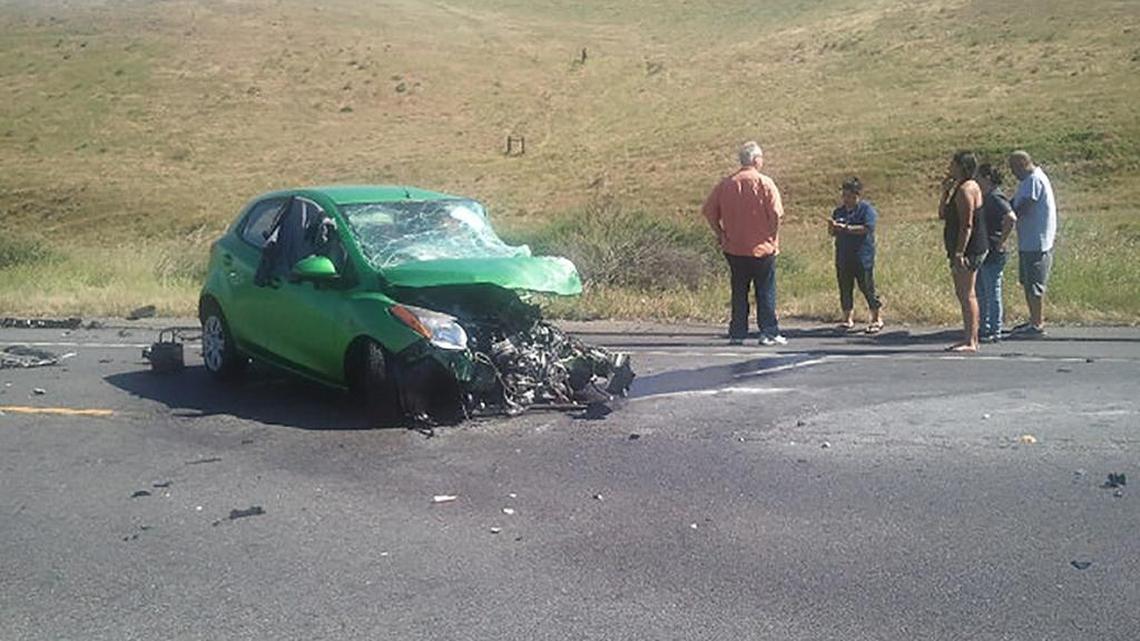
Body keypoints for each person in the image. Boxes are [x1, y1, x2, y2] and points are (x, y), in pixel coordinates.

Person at [702, 141, 786, 346]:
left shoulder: (726, 184)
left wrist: (720, 233)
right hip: (762, 247)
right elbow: (775, 213)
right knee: (765, 290)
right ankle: (768, 331)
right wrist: (773, 236)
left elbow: (708, 211)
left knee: (739, 291)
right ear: (756, 160)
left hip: (734, 247)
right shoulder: (765, 183)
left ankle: (738, 332)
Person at [939, 151, 988, 352]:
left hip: (970, 248)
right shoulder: (958, 188)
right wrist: (945, 192)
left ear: (962, 166)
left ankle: (971, 340)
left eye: (953, 164)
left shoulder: (967, 189)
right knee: (964, 293)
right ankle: (971, 337)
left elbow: (967, 224)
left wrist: (960, 252)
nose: (950, 167)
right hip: (962, 247)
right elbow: (942, 214)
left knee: (967, 294)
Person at [1007, 150, 1057, 338]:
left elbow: (1025, 206)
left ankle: (1037, 324)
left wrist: (1008, 215)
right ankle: (1033, 319)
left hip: (1036, 242)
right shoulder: (1028, 181)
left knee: (1034, 285)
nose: (1012, 172)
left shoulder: (1033, 181)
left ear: (1022, 164)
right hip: (1030, 240)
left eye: (1014, 168)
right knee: (1028, 283)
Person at [827, 177, 883, 333]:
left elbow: (867, 228)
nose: (846, 199)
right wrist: (832, 227)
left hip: (862, 255)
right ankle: (847, 318)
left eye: (849, 196)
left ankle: (876, 318)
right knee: (845, 286)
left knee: (867, 287)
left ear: (857, 195)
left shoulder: (866, 209)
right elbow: (832, 233)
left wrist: (845, 228)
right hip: (843, 254)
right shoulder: (839, 211)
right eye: (844, 195)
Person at [974, 164, 1017, 343]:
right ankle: (984, 327)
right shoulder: (985, 197)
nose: (976, 181)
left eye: (979, 177)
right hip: (984, 249)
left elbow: (1010, 217)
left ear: (988, 178)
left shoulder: (995, 197)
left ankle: (995, 329)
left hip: (993, 249)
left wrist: (1001, 241)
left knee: (992, 290)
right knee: (982, 290)